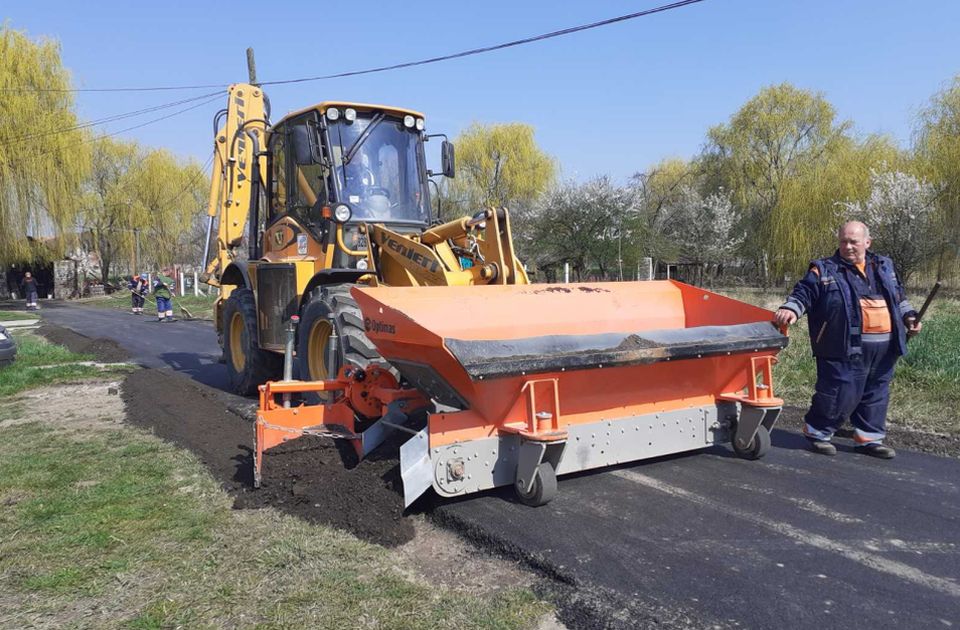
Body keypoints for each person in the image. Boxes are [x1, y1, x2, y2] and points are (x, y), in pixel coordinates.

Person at [774, 221, 922, 459]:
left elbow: (899, 298)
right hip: (840, 345)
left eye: (853, 241)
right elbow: (804, 293)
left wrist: (910, 318)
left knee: (876, 393)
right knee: (838, 391)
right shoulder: (824, 269)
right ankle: (817, 432)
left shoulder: (884, 266)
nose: (848, 246)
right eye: (843, 241)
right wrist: (791, 309)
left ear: (867, 242)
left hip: (884, 348)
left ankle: (869, 439)